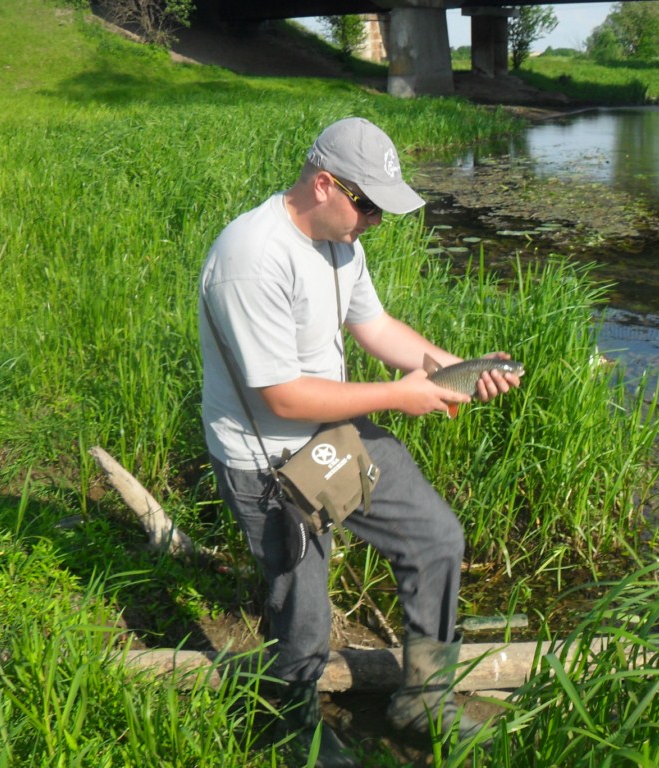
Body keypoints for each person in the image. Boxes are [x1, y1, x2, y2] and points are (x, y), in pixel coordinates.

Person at [198, 116, 521, 766]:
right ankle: (294, 730)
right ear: (324, 184)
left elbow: (375, 327)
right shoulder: (251, 258)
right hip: (265, 460)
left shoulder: (342, 242)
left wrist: (456, 368)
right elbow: (284, 397)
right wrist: (400, 396)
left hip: (332, 435)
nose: (375, 221)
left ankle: (422, 701)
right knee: (304, 614)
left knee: (435, 539)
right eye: (368, 206)